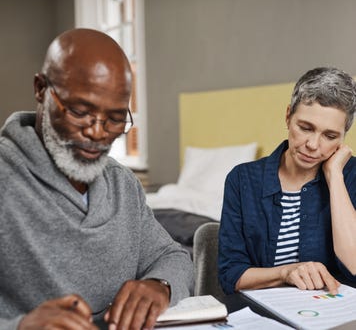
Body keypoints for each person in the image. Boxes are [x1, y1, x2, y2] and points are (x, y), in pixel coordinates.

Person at [0, 28, 193, 330]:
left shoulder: (123, 184)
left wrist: (160, 284)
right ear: (41, 89)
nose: (98, 133)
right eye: (79, 111)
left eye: (115, 119)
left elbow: (173, 255)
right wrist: (20, 326)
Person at [218, 67, 356, 295]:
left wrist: (335, 176)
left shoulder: (350, 176)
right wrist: (285, 272)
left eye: (329, 136)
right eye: (305, 128)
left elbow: (354, 263)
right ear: (288, 116)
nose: (313, 144)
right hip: (267, 316)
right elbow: (231, 275)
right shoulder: (243, 179)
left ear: (343, 138)